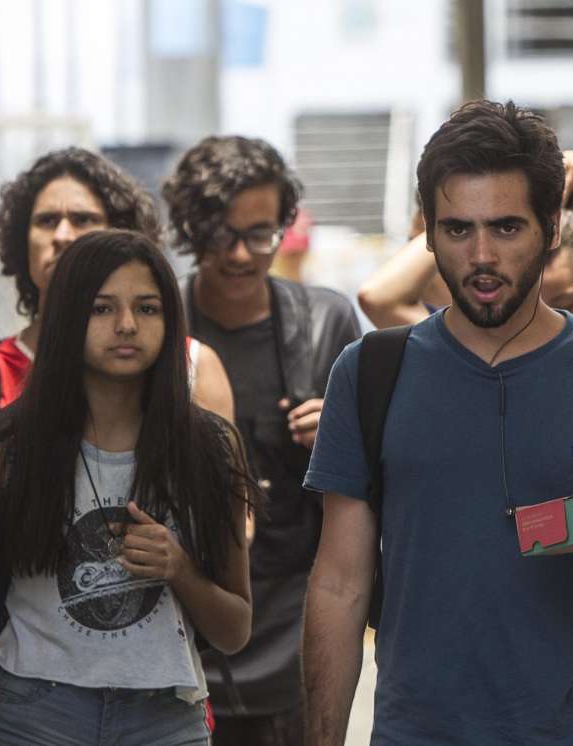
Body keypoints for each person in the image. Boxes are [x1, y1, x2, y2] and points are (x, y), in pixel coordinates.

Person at [303, 99, 573, 745]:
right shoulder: (369, 373)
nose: (480, 255)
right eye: (456, 230)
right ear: (430, 233)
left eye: (506, 228)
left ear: (551, 227)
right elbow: (338, 585)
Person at [0, 229, 254, 745]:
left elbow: (235, 630)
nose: (127, 325)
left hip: (164, 717)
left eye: (148, 308)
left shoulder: (210, 449)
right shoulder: (4, 451)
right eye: (102, 308)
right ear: (67, 318)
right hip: (36, 713)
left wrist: (179, 568)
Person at [163, 135, 361, 745]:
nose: (244, 254)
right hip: (181, 620)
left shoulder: (327, 321)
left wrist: (342, 432)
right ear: (191, 231)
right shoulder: (156, 325)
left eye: (263, 233)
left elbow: (376, 477)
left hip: (292, 624)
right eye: (224, 236)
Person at [0, 147, 233, 540]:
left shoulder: (193, 365)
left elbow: (231, 529)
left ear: (123, 234)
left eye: (83, 219)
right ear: (20, 240)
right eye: (46, 221)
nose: (62, 236)